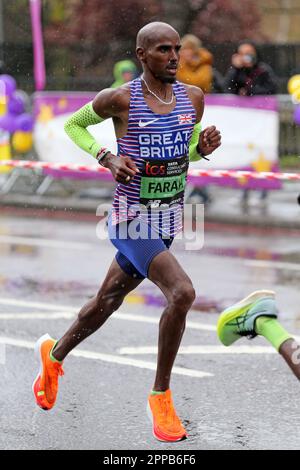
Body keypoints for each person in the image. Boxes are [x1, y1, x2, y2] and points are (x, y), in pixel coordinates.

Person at [32, 21, 221, 443]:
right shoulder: (120, 99)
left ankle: (54, 356)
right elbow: (74, 125)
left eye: (176, 49)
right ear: (142, 55)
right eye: (163, 50)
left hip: (168, 219)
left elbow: (182, 149)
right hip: (129, 219)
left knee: (107, 300)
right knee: (183, 293)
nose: (174, 57)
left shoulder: (193, 98)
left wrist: (200, 149)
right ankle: (161, 396)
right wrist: (107, 156)